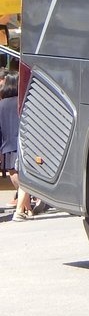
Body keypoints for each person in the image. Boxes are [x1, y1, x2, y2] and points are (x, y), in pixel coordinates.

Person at [0, 72, 29, 220]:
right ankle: (24, 205)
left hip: (6, 144)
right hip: (22, 142)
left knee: (14, 173)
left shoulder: (1, 104)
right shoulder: (22, 103)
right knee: (24, 175)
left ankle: (25, 204)